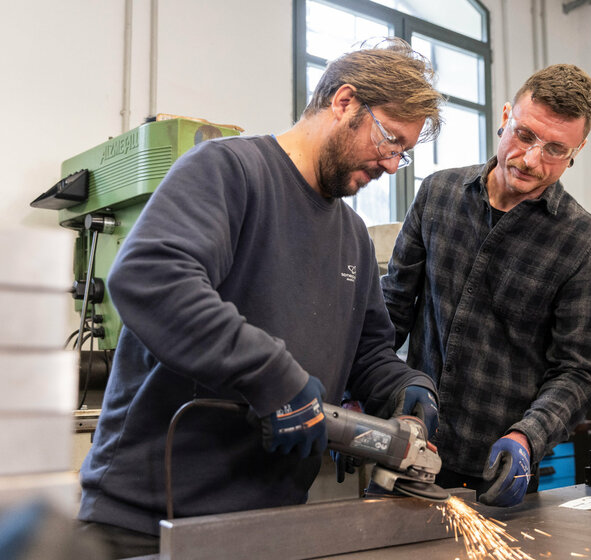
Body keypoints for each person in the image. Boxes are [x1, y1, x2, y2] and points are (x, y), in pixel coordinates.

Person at [77, 38, 444, 558]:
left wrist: (406, 387)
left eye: (401, 154)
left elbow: (367, 353)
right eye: (389, 139)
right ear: (344, 102)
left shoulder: (353, 236)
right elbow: (150, 277)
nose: (390, 164)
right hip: (153, 520)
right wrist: (274, 376)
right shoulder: (228, 172)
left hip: (270, 525)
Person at [380, 63, 591, 508]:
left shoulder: (584, 242)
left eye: (555, 150)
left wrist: (530, 436)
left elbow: (578, 370)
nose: (530, 160)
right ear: (506, 116)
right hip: (407, 445)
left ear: (577, 149)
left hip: (498, 468)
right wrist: (357, 389)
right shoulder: (437, 194)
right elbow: (391, 311)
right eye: (524, 135)